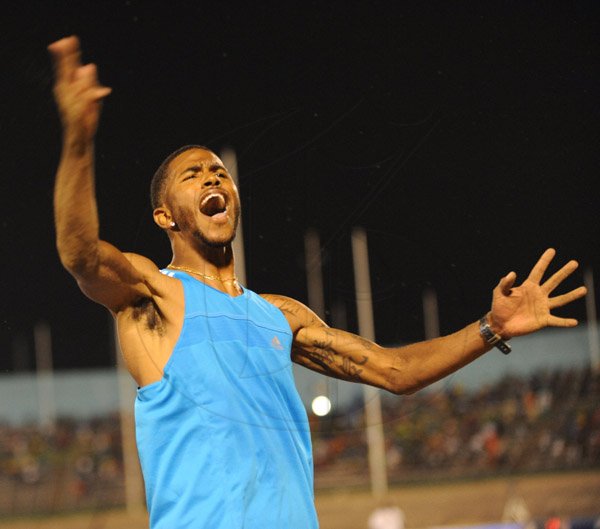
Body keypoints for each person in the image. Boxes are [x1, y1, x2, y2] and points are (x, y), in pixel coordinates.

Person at [48, 35, 587, 529]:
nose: (214, 177)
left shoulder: (279, 317)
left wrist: (492, 327)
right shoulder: (153, 296)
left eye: (220, 171)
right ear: (166, 216)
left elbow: (395, 370)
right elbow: (81, 254)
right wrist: (78, 139)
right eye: (194, 174)